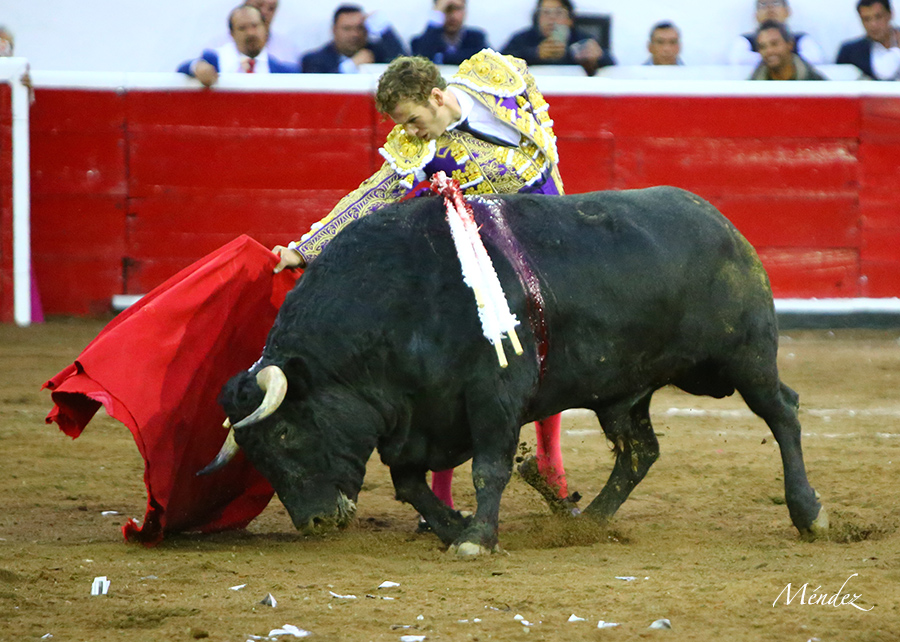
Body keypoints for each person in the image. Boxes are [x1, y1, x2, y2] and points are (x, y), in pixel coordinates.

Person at [274, 51, 573, 508]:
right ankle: (443, 492)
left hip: (548, 236)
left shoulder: (499, 76)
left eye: (413, 120)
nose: (410, 132)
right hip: (488, 256)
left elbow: (539, 132)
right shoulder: (415, 149)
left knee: (553, 347)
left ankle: (550, 459)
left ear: (437, 96)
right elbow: (370, 196)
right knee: (458, 364)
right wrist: (303, 248)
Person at [178, 4, 299, 87]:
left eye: (255, 26)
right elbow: (183, 69)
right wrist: (198, 68)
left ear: (265, 29)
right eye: (242, 28)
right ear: (232, 34)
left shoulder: (284, 71)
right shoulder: (214, 60)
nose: (250, 33)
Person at [502, 0, 615, 76]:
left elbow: (612, 68)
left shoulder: (581, 39)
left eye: (558, 13)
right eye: (546, 13)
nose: (551, 19)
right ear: (537, 18)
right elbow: (500, 63)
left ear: (570, 19)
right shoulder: (522, 39)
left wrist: (596, 59)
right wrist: (535, 54)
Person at [301, 4, 406, 73]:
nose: (354, 34)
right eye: (347, 28)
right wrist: (350, 66)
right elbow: (318, 88)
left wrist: (384, 29)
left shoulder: (377, 53)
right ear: (334, 30)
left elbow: (405, 67)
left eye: (360, 28)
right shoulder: (314, 60)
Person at [728, 0, 825, 66]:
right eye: (763, 4)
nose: (770, 8)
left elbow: (815, 58)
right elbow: (737, 59)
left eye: (776, 3)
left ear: (787, 12)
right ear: (756, 15)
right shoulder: (746, 40)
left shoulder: (801, 39)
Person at [411, 0, 489, 65]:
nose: (453, 16)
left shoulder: (476, 38)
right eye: (447, 9)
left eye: (457, 9)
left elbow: (482, 59)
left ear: (465, 11)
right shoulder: (420, 41)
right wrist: (436, 16)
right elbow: (421, 60)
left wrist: (440, 57)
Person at [837, 0, 900, 80]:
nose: (873, 24)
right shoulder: (849, 52)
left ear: (890, 15)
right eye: (866, 19)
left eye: (878, 17)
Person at [750, 20, 825, 80]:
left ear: (790, 44)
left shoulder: (817, 84)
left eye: (774, 44)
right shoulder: (752, 87)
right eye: (762, 47)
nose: (769, 51)